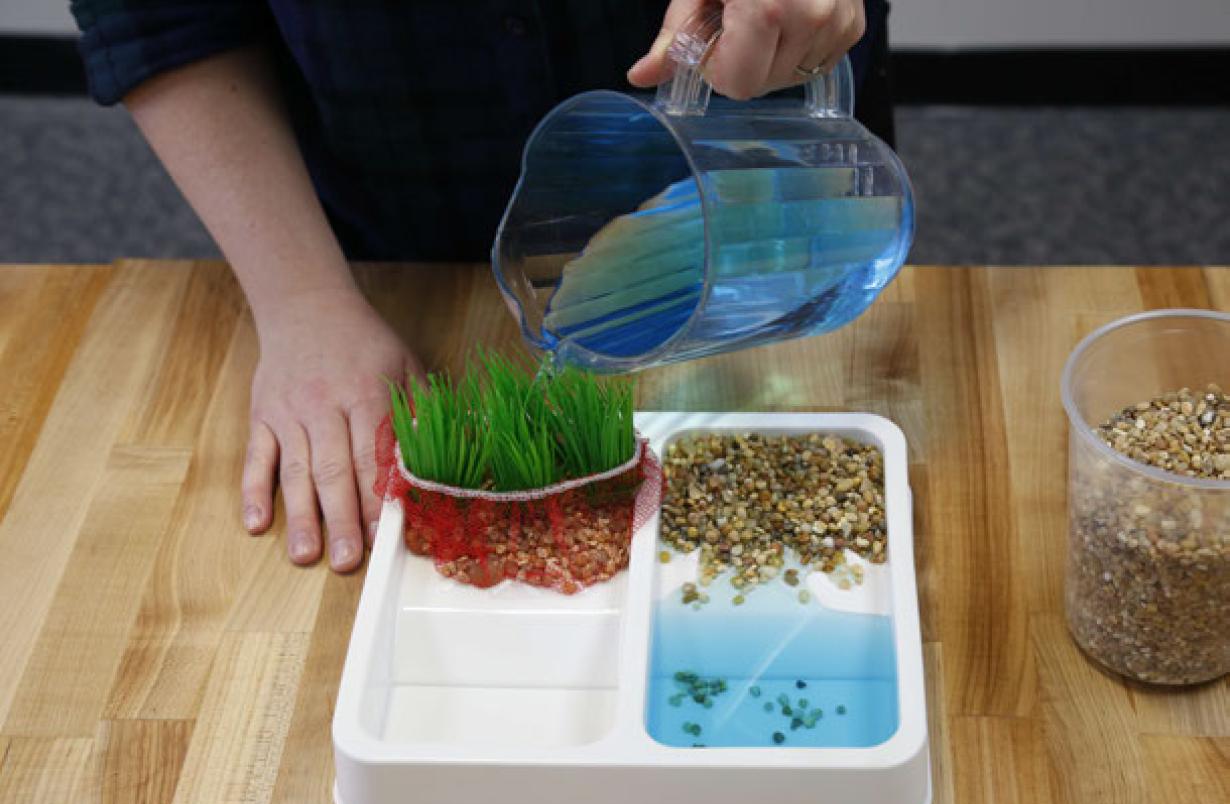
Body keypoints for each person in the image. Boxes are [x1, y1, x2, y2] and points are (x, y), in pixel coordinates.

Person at [72, 0, 894, 573]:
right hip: (382, 182)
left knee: (816, 218)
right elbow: (153, 10)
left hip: (765, 125)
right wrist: (302, 301)